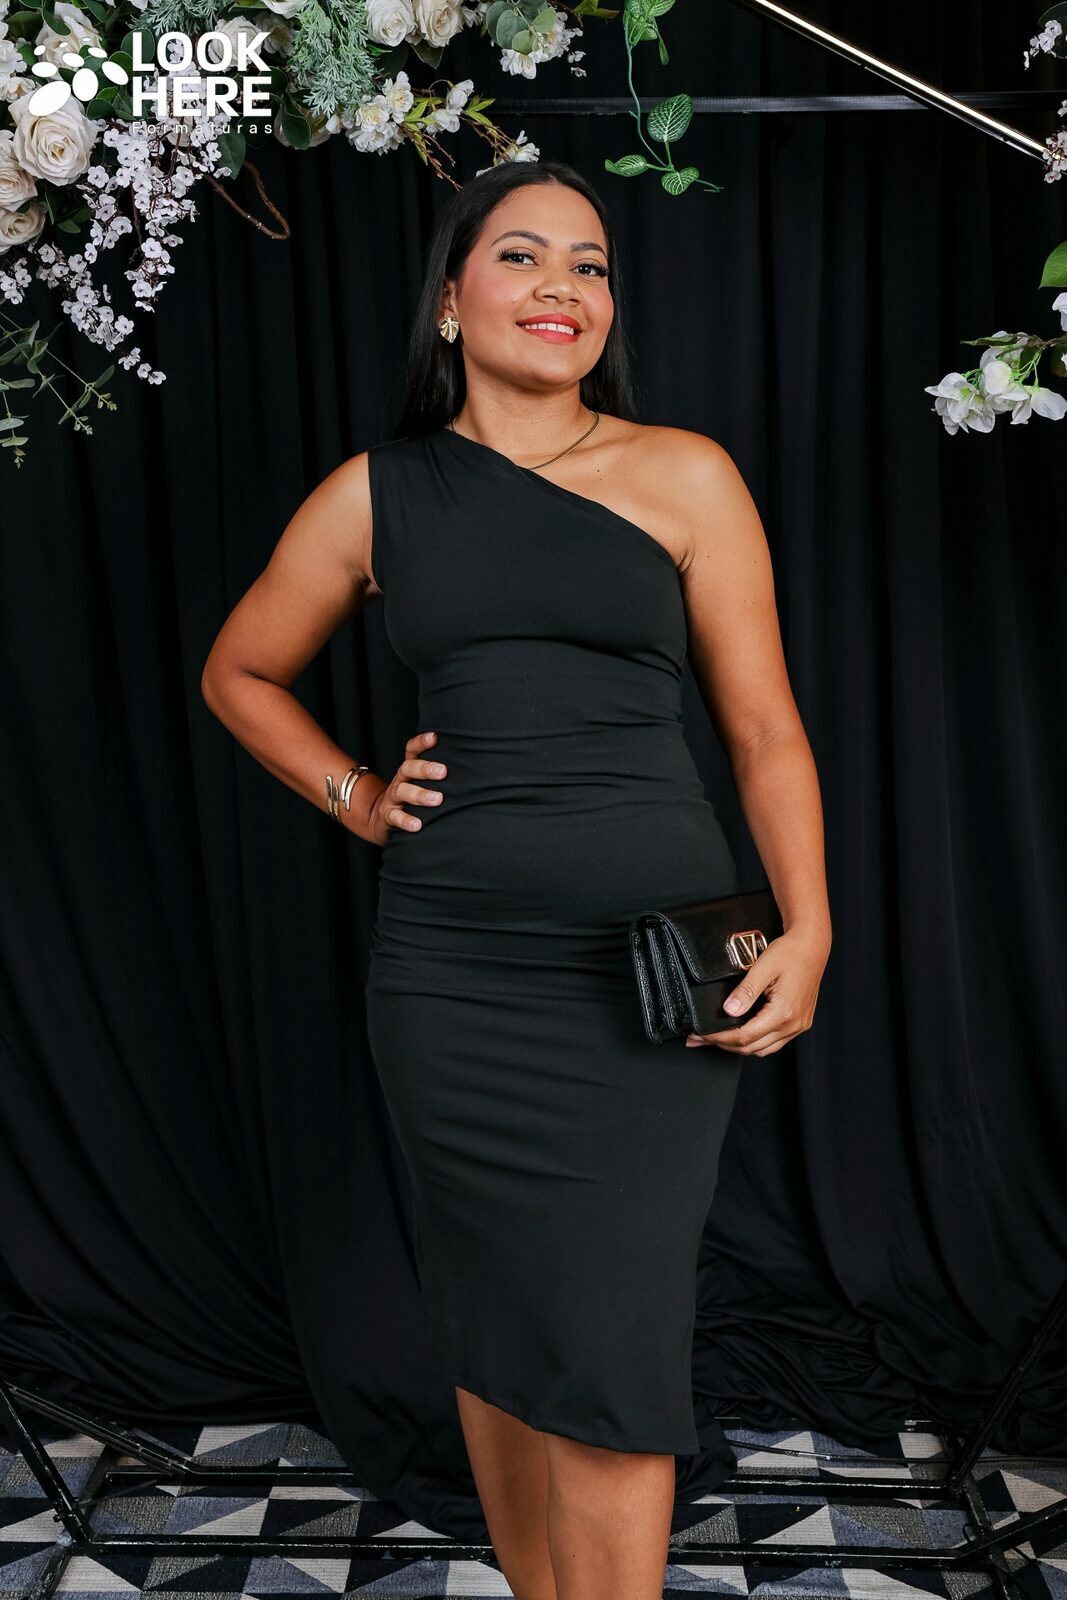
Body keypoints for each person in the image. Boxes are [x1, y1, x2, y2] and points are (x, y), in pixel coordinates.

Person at [201, 158, 832, 1600]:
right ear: (449, 300)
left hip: (647, 973)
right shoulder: (379, 493)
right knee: (497, 1324)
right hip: (452, 976)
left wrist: (810, 927)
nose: (564, 288)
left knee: (609, 1341)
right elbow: (240, 671)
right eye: (525, 256)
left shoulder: (684, 473)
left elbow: (765, 730)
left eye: (591, 265)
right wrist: (358, 796)